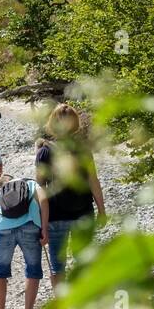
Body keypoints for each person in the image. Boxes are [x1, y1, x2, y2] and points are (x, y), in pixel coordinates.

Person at [35, 103, 106, 288]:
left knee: (58, 265)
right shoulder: (83, 150)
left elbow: (39, 187)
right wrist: (102, 210)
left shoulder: (45, 151)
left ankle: (61, 307)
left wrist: (39, 220)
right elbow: (93, 181)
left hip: (55, 213)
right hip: (83, 211)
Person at [0, 174, 51, 309]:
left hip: (4, 230)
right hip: (29, 227)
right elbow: (44, 201)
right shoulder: (30, 184)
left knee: (0, 272)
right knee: (32, 269)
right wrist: (44, 228)